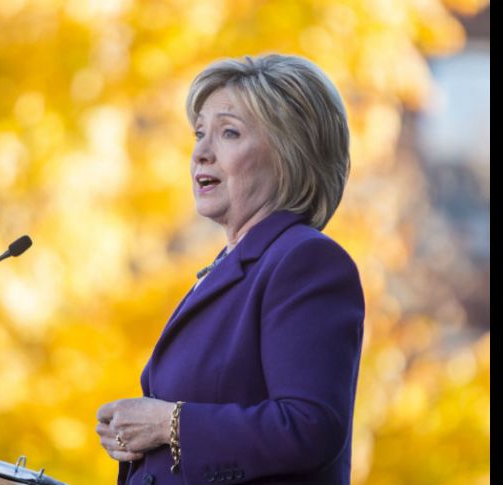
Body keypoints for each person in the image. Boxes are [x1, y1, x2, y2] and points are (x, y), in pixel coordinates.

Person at [96, 53, 365, 485]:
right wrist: (137, 442)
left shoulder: (306, 262)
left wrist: (169, 424)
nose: (201, 153)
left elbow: (309, 426)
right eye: (199, 133)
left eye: (229, 133)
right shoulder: (230, 270)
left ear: (289, 154)